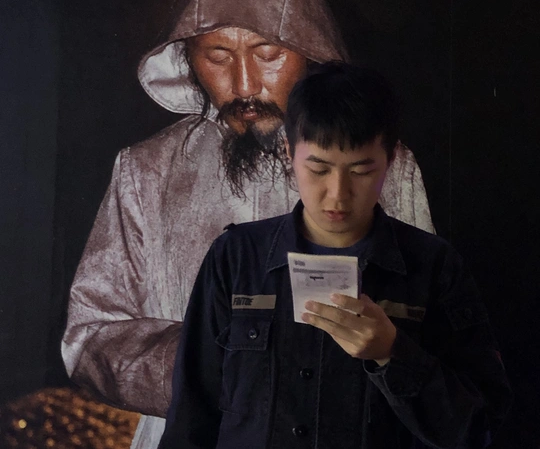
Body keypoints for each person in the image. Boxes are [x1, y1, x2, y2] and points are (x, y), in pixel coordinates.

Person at [61, 0, 435, 449]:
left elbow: (432, 329)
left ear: (311, 52)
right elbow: (90, 337)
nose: (243, 85)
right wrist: (211, 363)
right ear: (187, 59)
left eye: (268, 53)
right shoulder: (146, 172)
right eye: (217, 56)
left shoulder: (386, 167)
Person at [158, 62, 511, 449]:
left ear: (391, 158)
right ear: (289, 152)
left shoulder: (434, 267)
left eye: (361, 171)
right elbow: (190, 418)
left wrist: (393, 353)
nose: (338, 194)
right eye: (319, 169)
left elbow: (479, 427)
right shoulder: (236, 257)